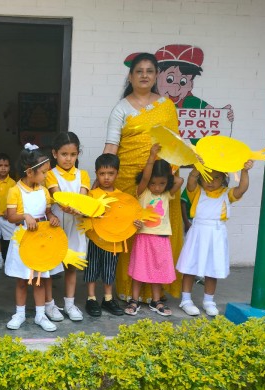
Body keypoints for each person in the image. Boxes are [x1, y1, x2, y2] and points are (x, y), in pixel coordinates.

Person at [103, 52, 184, 303]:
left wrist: (171, 175)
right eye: (139, 71)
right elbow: (112, 146)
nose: (144, 75)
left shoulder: (166, 106)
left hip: (161, 179)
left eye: (149, 71)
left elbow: (175, 144)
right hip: (129, 180)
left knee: (158, 235)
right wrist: (102, 177)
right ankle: (130, 290)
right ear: (130, 76)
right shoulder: (121, 108)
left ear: (157, 75)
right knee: (131, 235)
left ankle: (156, 291)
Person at [177, 161, 253, 317]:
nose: (211, 181)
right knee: (190, 267)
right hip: (197, 233)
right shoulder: (196, 192)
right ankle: (186, 300)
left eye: (216, 178)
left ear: (224, 178)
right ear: (201, 177)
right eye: (206, 177)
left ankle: (209, 301)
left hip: (217, 234)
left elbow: (242, 188)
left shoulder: (227, 194)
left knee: (212, 269)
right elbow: (191, 180)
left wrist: (244, 171)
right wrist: (198, 166)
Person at [5, 145, 62, 332]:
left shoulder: (44, 191)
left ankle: (40, 315)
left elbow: (47, 212)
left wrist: (52, 218)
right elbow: (10, 216)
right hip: (22, 240)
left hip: (40, 240)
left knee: (39, 279)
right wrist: (25, 216)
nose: (46, 176)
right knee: (22, 281)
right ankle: (19, 314)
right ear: (30, 172)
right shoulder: (15, 191)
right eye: (43, 172)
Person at [126, 147, 183, 316]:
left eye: (162, 183)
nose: (157, 187)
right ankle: (134, 300)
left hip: (161, 238)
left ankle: (156, 301)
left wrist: (170, 173)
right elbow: (145, 177)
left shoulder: (167, 194)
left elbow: (179, 180)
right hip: (144, 237)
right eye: (153, 183)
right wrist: (152, 157)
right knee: (139, 270)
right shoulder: (142, 192)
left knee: (158, 270)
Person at [45, 132, 90, 322]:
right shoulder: (50, 174)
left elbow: (83, 198)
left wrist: (79, 207)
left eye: (73, 154)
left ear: (78, 154)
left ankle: (69, 304)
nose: (68, 158)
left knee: (72, 266)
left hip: (76, 225)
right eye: (64, 154)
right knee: (49, 266)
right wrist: (70, 205)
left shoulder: (83, 175)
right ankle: (49, 304)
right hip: (56, 226)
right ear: (55, 153)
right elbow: (57, 196)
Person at [83, 154, 128, 317]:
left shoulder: (121, 196)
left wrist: (134, 223)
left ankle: (108, 299)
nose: (106, 177)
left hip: (113, 242)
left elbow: (125, 218)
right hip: (95, 239)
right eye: (102, 174)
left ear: (117, 174)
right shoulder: (92, 194)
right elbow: (85, 214)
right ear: (96, 173)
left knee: (109, 270)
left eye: (110, 173)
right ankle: (91, 298)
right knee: (92, 269)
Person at [0, 152, 17, 270]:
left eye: (6, 165)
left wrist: (10, 211)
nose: (3, 168)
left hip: (8, 217)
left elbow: (16, 199)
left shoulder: (13, 183)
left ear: (9, 167)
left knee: (12, 239)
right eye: (0, 165)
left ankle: (11, 259)